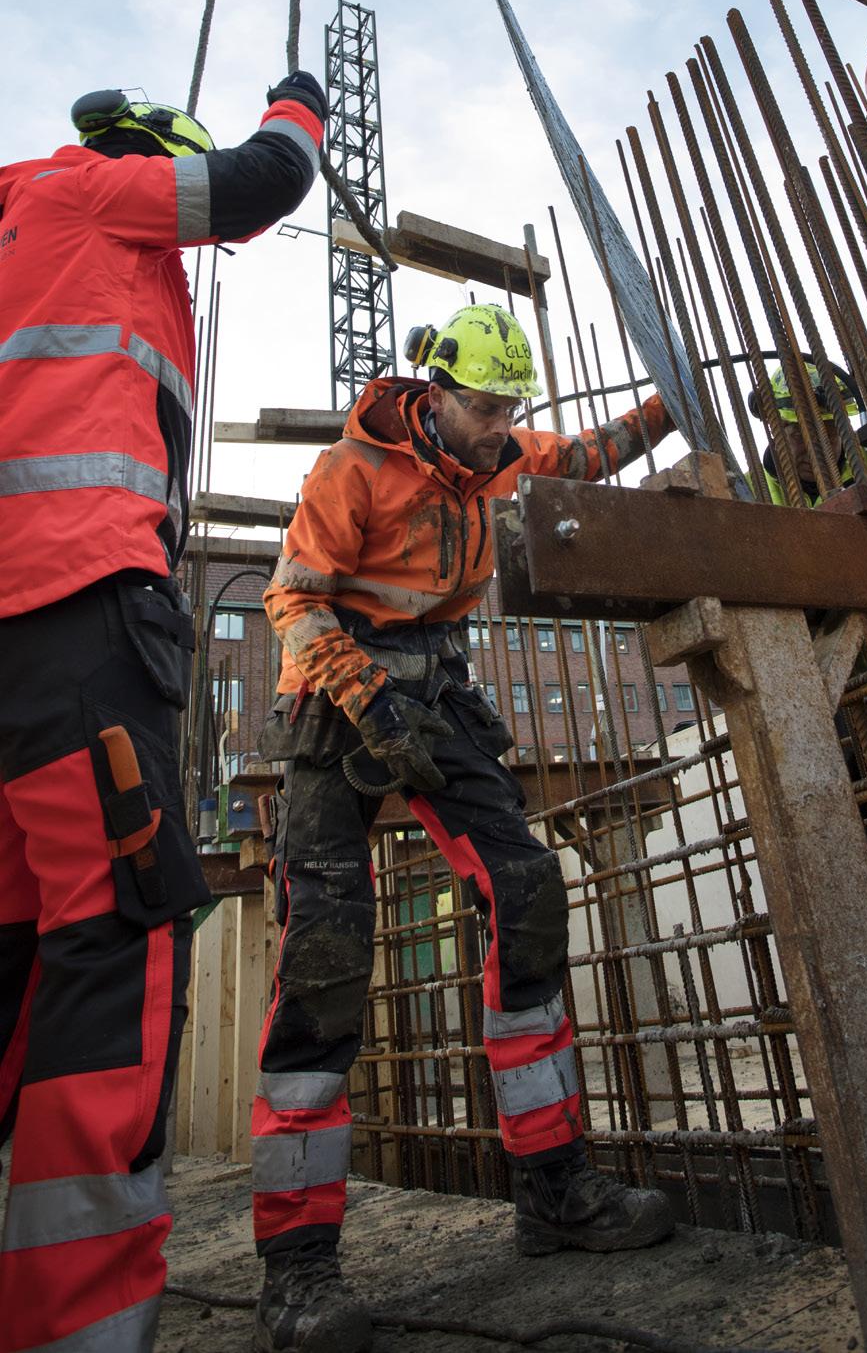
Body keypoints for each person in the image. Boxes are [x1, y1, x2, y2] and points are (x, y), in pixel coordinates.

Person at [254, 304, 677, 1353]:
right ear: (432, 394)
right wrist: (364, 694)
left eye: (508, 412)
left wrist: (676, 398)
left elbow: (585, 451)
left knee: (526, 888)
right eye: (487, 409)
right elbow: (291, 601)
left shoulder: (486, 457)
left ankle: (552, 1191)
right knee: (325, 949)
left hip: (436, 693)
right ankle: (296, 1269)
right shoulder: (350, 471)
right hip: (335, 697)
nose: (502, 429)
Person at [0, 72, 326, 1353]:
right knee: (114, 935)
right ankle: (79, 1327)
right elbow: (259, 185)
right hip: (79, 598)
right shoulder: (91, 192)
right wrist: (297, 108)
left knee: (18, 946)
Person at [749, 359, 867, 504]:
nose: (816, 452)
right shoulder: (748, 488)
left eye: (829, 434)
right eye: (799, 436)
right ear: (775, 429)